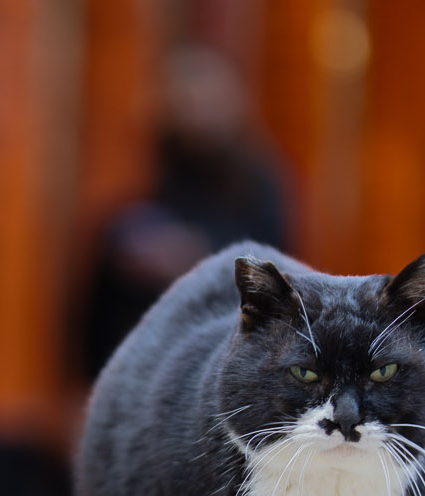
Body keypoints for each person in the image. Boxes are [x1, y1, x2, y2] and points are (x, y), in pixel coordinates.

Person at [78, 45, 288, 383]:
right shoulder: (154, 168)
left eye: (205, 101)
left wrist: (195, 253)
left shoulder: (257, 184)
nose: (193, 115)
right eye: (183, 102)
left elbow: (271, 265)